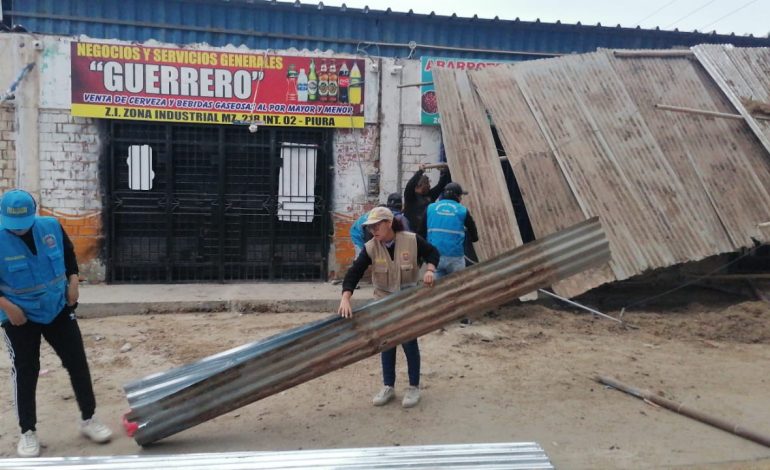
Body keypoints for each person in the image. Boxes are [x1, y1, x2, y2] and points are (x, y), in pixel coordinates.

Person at [0, 189, 112, 458]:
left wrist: (73, 283)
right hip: (19, 315)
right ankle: (28, 432)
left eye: (23, 225)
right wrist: (7, 306)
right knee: (26, 371)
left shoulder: (50, 227)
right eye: (12, 226)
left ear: (33, 215)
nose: (18, 231)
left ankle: (89, 418)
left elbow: (69, 258)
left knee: (77, 362)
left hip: (57, 307)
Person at [338, 207, 439, 408]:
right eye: (370, 227)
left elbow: (433, 252)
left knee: (409, 342)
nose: (373, 230)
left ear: (389, 223)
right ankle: (388, 386)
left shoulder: (411, 240)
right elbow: (354, 272)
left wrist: (430, 270)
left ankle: (413, 387)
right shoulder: (370, 247)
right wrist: (345, 297)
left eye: (377, 225)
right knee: (387, 343)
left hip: (406, 300)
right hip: (383, 302)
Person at [425, 182, 479, 279]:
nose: (461, 198)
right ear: (457, 196)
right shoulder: (462, 210)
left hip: (435, 257)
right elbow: (473, 233)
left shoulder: (430, 208)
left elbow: (421, 229)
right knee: (457, 287)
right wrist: (474, 238)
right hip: (455, 258)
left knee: (436, 289)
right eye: (460, 196)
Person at [403, 164, 450, 235]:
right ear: (420, 185)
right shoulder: (410, 197)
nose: (429, 186)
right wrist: (420, 171)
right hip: (412, 234)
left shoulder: (430, 196)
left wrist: (444, 172)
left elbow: (440, 186)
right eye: (427, 184)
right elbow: (410, 185)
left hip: (426, 233)